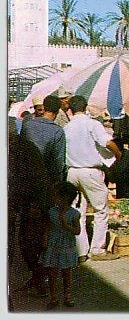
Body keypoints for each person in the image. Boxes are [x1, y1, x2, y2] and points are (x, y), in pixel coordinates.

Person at [64, 95, 122, 261]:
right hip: (90, 172)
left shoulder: (67, 127)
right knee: (100, 210)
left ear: (70, 109)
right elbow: (107, 142)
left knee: (78, 211)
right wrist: (118, 154)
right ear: (86, 107)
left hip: (72, 172)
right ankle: (97, 249)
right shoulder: (92, 124)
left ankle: (80, 251)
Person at [8, 119, 52, 298]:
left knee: (29, 245)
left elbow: (39, 180)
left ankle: (38, 279)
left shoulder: (27, 149)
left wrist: (36, 205)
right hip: (12, 204)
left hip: (30, 203)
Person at [42, 181, 81, 310]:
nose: (54, 199)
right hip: (54, 245)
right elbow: (48, 226)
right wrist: (45, 238)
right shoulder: (51, 211)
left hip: (66, 245)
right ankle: (53, 297)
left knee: (66, 272)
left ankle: (67, 296)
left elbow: (77, 231)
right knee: (52, 272)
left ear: (65, 198)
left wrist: (66, 226)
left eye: (56, 196)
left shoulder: (74, 214)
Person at [21, 95, 67, 184]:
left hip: (25, 175)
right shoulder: (57, 131)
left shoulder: (27, 125)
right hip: (45, 178)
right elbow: (58, 162)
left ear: (44, 107)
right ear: (57, 111)